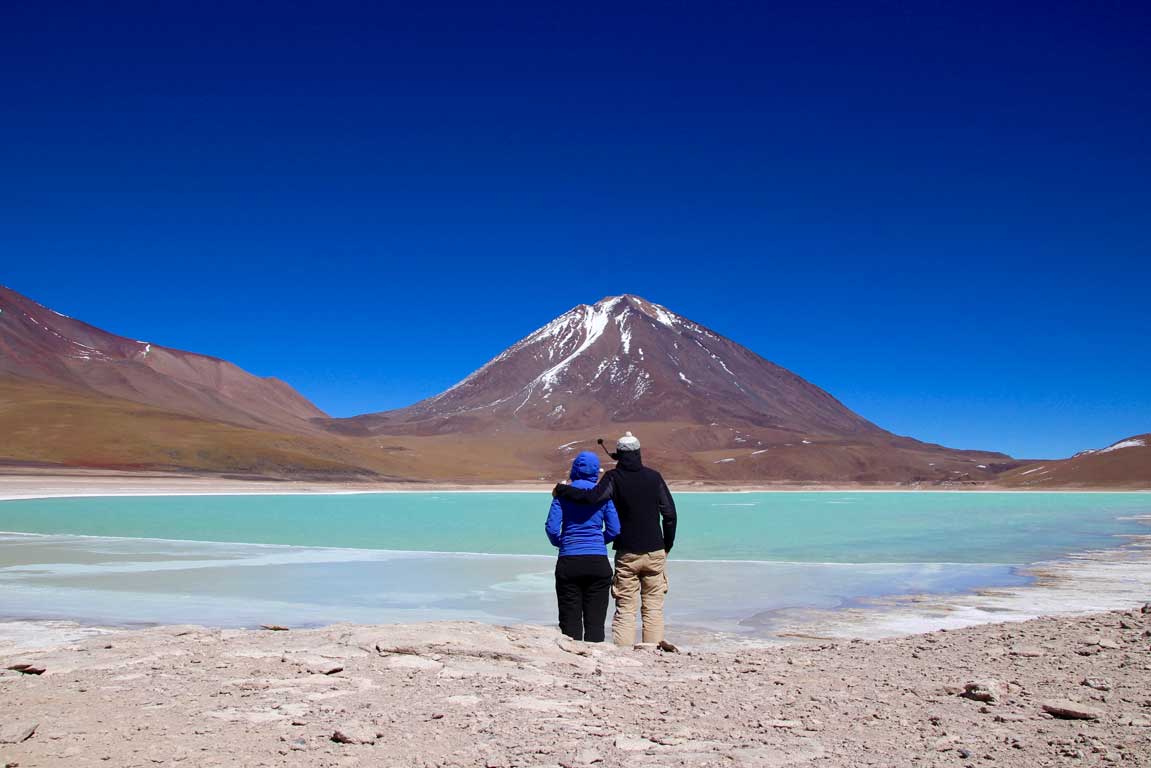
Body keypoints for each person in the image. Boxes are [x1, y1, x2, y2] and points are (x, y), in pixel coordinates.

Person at [552, 432, 677, 646]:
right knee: (653, 606)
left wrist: (562, 490)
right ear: (639, 453)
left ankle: (623, 653)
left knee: (626, 607)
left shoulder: (613, 478)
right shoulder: (654, 477)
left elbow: (592, 498)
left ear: (618, 454)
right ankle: (653, 651)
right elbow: (670, 515)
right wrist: (667, 544)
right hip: (655, 550)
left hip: (627, 552)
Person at [545, 451, 621, 642]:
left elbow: (552, 528)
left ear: (574, 470)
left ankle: (571, 662)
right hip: (597, 562)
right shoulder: (602, 495)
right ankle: (595, 662)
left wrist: (563, 543)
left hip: (569, 561)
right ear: (596, 471)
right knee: (595, 623)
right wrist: (597, 542)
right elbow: (614, 529)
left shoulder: (562, 495)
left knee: (569, 621)